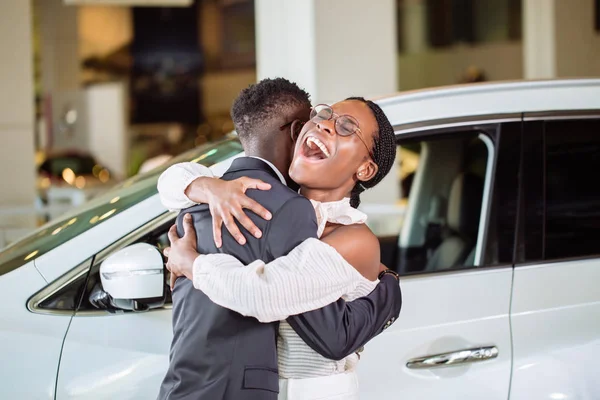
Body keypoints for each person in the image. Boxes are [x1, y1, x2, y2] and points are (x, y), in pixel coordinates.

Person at [157, 78, 401, 400]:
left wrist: (192, 263)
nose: (326, 125)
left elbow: (264, 294)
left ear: (366, 169)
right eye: (324, 114)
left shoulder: (354, 238)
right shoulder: (262, 197)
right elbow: (171, 179)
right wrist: (208, 186)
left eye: (345, 127)